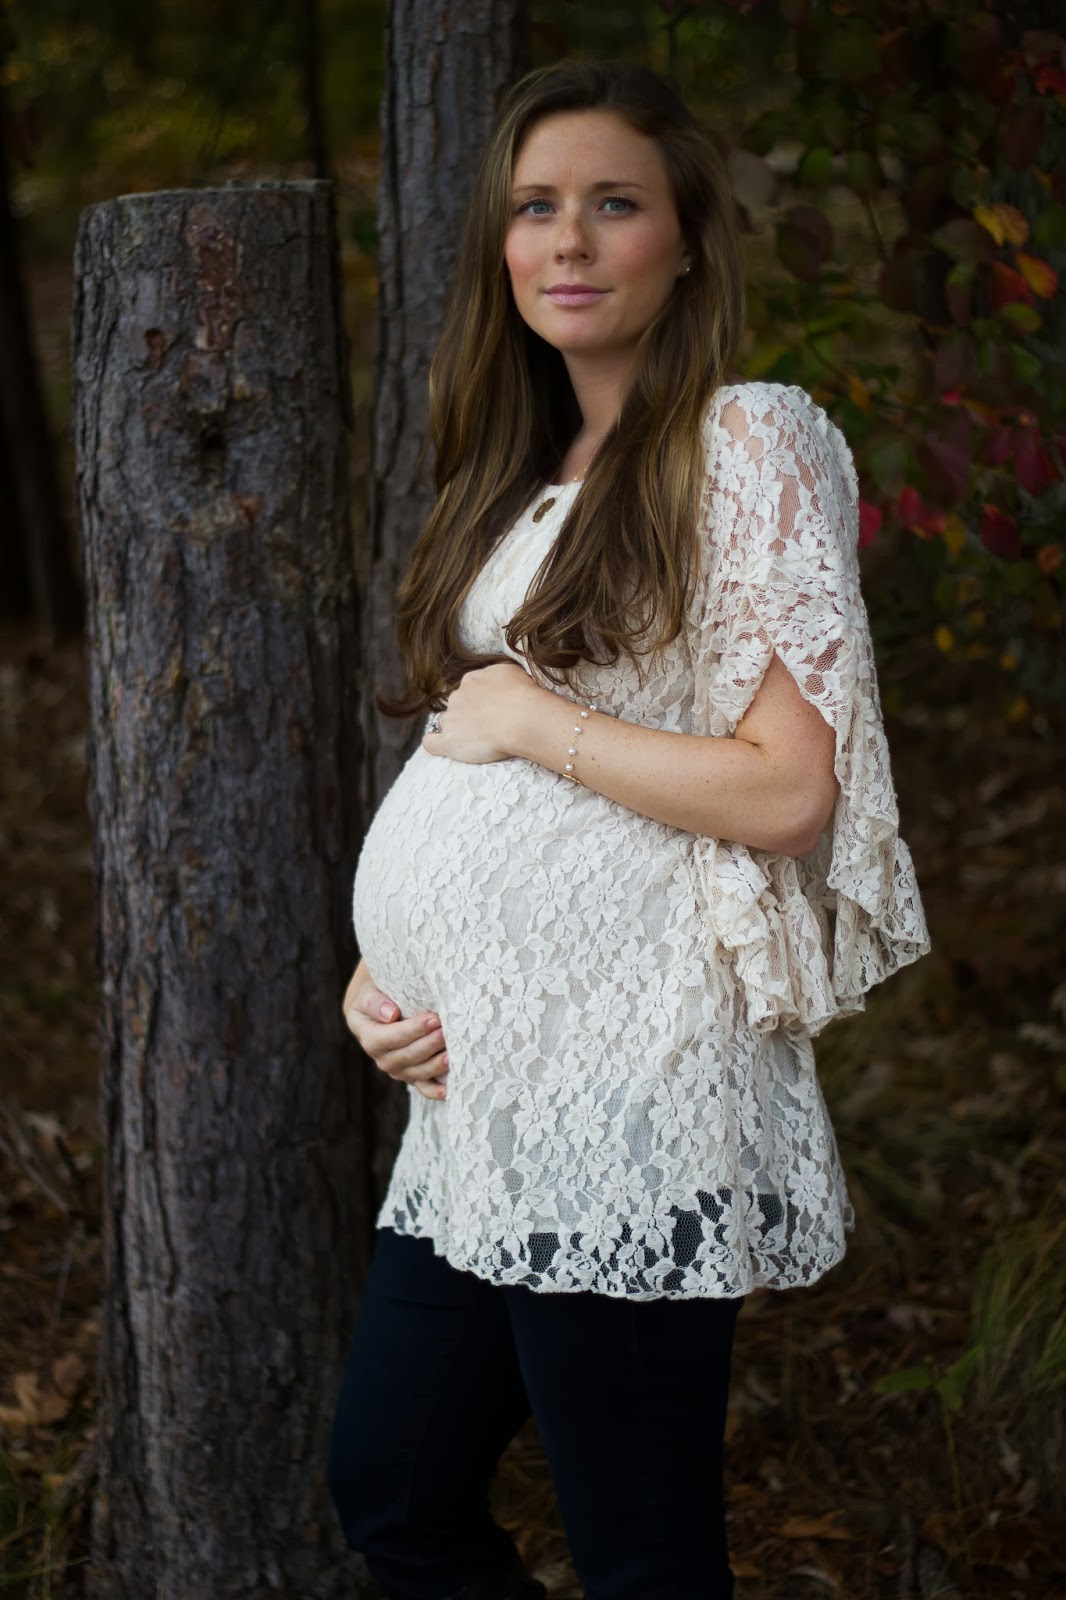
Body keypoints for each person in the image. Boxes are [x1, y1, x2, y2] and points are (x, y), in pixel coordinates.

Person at [327, 60, 930, 1600]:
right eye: (537, 208)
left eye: (613, 204)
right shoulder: (524, 471)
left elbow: (791, 790)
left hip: (629, 1090)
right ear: (500, 247)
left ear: (684, 241)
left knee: (640, 1547)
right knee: (391, 1491)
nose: (570, 242)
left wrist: (540, 722)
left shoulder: (748, 441)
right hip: (476, 1100)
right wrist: (378, 979)